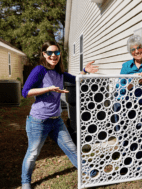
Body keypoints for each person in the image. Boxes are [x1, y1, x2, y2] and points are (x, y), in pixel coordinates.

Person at [21, 41, 98, 189]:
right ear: (44, 54)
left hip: (56, 120)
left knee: (71, 148)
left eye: (56, 52)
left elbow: (75, 79)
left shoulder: (60, 72)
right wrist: (48, 88)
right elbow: (25, 92)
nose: (53, 56)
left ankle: (88, 171)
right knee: (33, 153)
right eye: (50, 52)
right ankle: (25, 181)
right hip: (38, 121)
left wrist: (85, 71)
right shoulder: (39, 70)